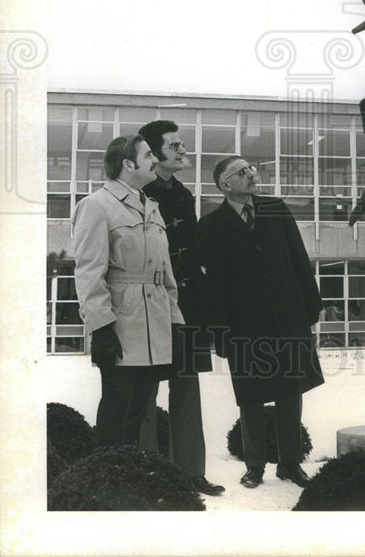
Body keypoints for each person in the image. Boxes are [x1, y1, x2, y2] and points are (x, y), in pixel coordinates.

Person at [198, 156, 324, 489]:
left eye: (251, 169)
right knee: (250, 395)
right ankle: (254, 466)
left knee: (291, 390)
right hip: (243, 325)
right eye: (242, 172)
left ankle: (290, 463)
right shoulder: (211, 225)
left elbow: (298, 257)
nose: (252, 175)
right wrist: (220, 332)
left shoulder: (276, 209)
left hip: (287, 316)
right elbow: (214, 286)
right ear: (225, 185)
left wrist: (311, 306)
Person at [72, 135, 184, 447]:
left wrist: (175, 321)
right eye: (148, 155)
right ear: (127, 164)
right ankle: (108, 472)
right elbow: (89, 272)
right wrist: (101, 327)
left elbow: (165, 274)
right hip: (121, 325)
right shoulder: (96, 206)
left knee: (139, 411)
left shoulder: (151, 207)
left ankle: (130, 471)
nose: (155, 160)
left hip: (154, 324)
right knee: (117, 409)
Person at [136, 120, 224, 497]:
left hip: (187, 304)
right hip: (150, 303)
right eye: (174, 146)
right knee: (144, 390)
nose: (183, 150)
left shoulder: (185, 195)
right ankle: (148, 475)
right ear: (153, 154)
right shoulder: (138, 193)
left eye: (182, 144)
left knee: (186, 386)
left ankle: (191, 473)